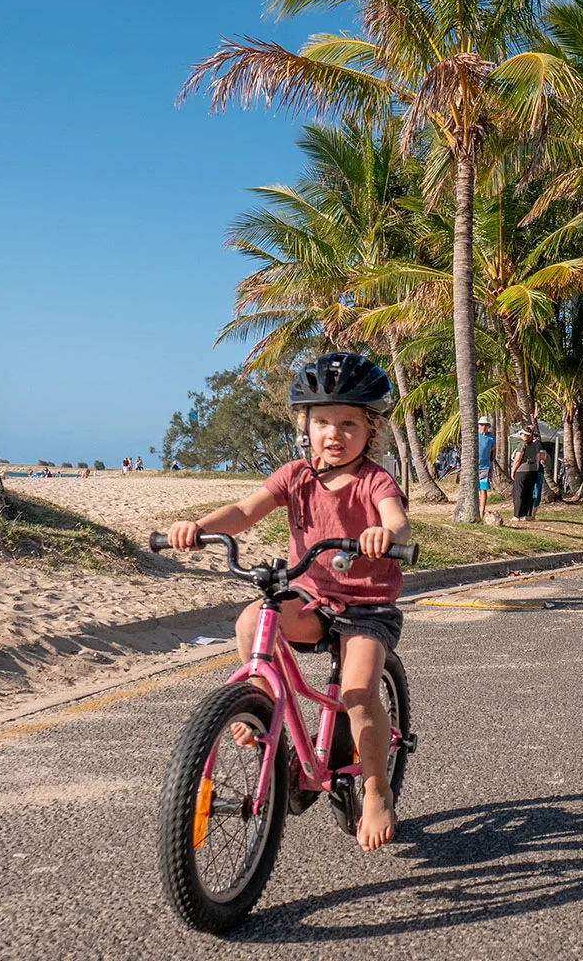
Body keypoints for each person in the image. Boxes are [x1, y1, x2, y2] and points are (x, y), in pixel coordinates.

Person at [164, 352, 410, 852]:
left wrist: (383, 534)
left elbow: (396, 519)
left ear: (371, 431)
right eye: (322, 422)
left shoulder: (374, 480)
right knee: (253, 620)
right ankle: (259, 703)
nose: (333, 434)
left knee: (359, 694)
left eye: (348, 424)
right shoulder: (295, 476)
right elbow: (243, 510)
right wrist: (199, 528)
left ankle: (377, 788)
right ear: (305, 425)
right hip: (313, 594)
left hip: (366, 606)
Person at [510, 429, 542, 521]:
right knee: (529, 493)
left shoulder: (522, 444)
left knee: (519, 492)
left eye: (523, 434)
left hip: (522, 471)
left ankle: (517, 515)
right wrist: (535, 469)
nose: (521, 435)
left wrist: (513, 471)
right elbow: (537, 458)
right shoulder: (535, 445)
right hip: (533, 471)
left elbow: (517, 459)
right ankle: (526, 515)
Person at [475, 416, 496, 521]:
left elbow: (493, 454)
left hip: (485, 467)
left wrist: (491, 469)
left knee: (483, 490)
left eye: (486, 425)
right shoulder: (473, 436)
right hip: (473, 468)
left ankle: (481, 512)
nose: (483, 427)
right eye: (481, 424)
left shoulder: (491, 438)